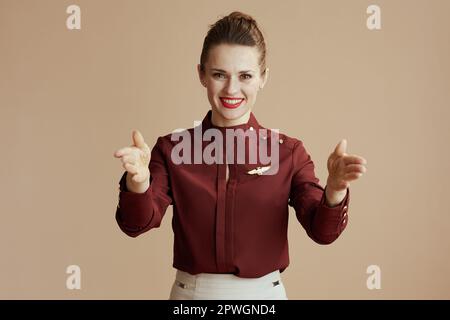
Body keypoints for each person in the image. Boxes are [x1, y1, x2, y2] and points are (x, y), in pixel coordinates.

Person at [113, 11, 367, 300]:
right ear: (201, 75)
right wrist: (139, 182)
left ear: (263, 78)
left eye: (245, 75)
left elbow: (322, 232)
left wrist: (334, 190)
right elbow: (135, 224)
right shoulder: (171, 149)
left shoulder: (289, 153)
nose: (232, 89)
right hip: (191, 297)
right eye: (219, 74)